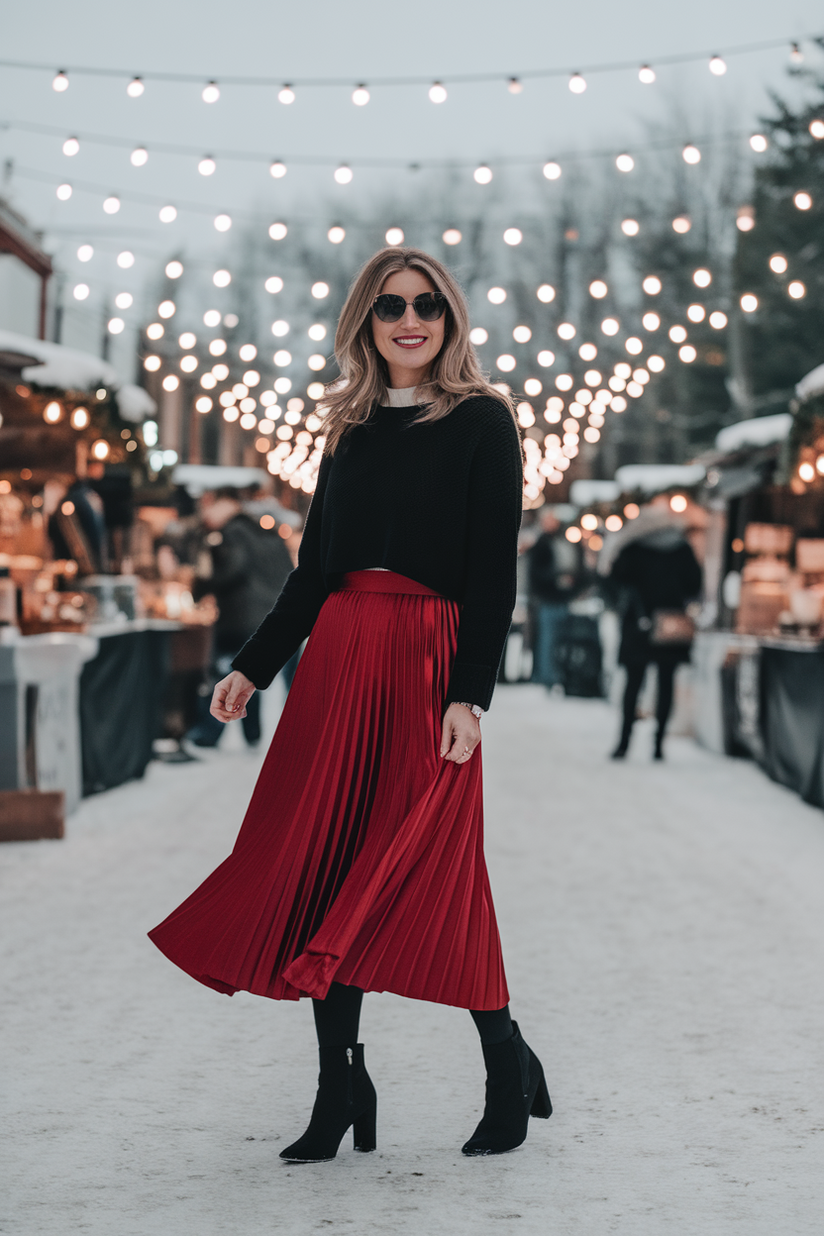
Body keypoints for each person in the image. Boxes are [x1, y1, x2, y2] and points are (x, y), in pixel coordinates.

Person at [148, 247, 551, 1162]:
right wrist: (251, 667)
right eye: (389, 306)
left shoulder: (485, 422)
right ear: (365, 324)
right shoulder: (351, 429)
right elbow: (313, 573)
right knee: (327, 861)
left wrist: (469, 696)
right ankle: (342, 1086)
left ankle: (505, 1066)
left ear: (450, 320)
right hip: (337, 663)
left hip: (426, 661)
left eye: (428, 306)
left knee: (431, 866)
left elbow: (494, 574)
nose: (410, 320)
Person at [187, 488, 294, 748]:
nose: (206, 514)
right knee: (256, 673)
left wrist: (199, 585)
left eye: (208, 506)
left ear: (226, 502)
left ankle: (209, 732)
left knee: (226, 671)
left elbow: (233, 568)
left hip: (241, 615)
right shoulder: (266, 531)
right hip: (277, 615)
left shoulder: (233, 532)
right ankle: (254, 733)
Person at [600, 502, 702, 760]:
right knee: (666, 684)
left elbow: (613, 578)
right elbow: (694, 584)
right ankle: (658, 744)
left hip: (638, 623)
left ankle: (624, 743)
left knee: (633, 684)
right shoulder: (681, 548)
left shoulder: (633, 546)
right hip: (670, 624)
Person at [528, 509, 584, 689]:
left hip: (563, 598)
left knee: (559, 639)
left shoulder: (564, 541)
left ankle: (559, 674)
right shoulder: (541, 544)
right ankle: (547, 677)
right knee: (548, 640)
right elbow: (536, 573)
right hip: (547, 599)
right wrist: (556, 579)